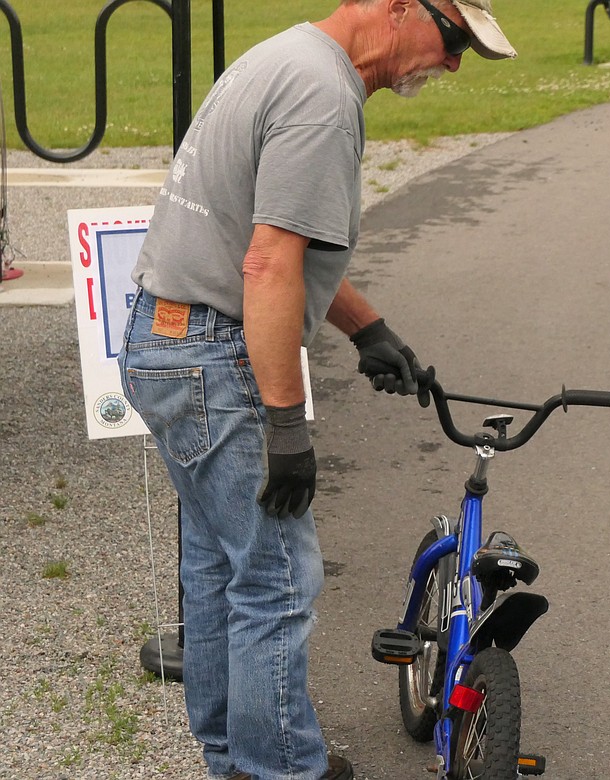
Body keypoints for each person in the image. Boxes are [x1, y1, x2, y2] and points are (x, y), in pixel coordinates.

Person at [117, 2, 516, 778]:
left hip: (161, 340)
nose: (456, 63)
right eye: (456, 39)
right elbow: (267, 266)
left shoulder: (289, 57)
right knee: (274, 578)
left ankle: (238, 757)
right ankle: (281, 769)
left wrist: (367, 328)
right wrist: (286, 426)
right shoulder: (324, 98)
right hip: (210, 356)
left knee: (217, 567)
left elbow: (266, 237)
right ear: (402, 8)